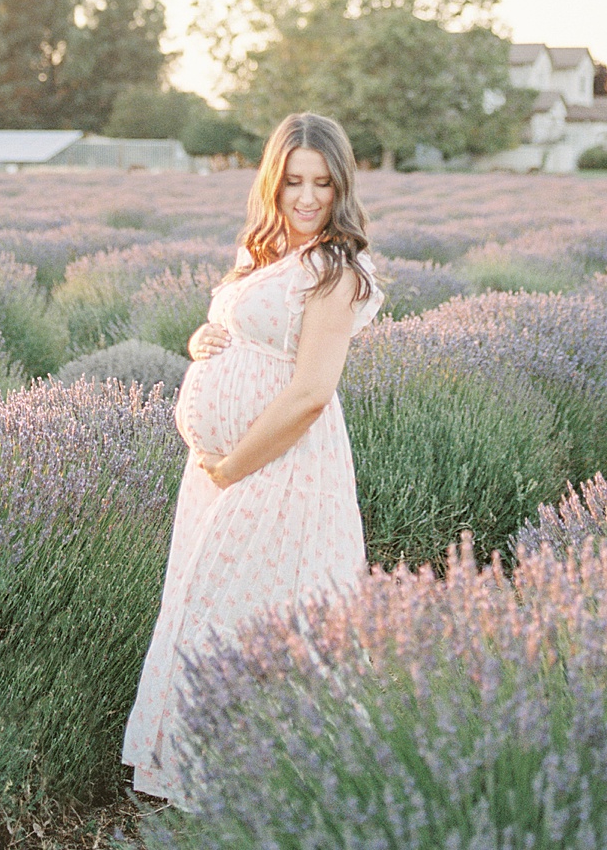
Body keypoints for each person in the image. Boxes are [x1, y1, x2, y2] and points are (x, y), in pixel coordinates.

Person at [122, 110, 384, 809]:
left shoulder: (335, 269)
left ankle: (276, 787)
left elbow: (308, 393)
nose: (306, 198)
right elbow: (235, 329)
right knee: (214, 606)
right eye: (293, 181)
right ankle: (206, 779)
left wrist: (233, 465)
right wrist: (201, 344)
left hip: (282, 467)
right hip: (224, 471)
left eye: (322, 185)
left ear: (341, 190)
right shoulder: (264, 253)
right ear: (272, 182)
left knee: (261, 613)